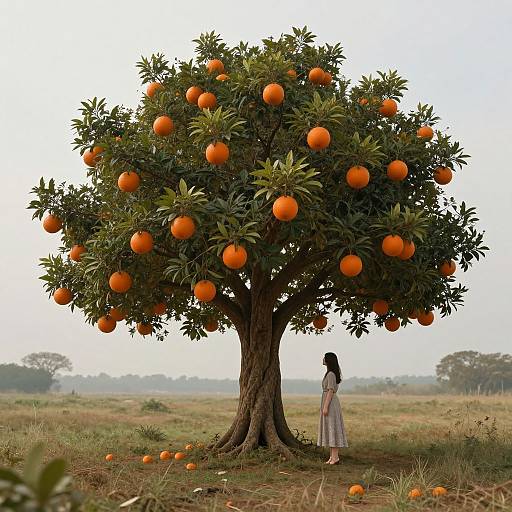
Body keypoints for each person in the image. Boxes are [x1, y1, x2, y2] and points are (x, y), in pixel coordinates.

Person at [317, 352, 348, 464]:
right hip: (328, 401)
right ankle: (332, 457)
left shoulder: (331, 374)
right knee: (330, 429)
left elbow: (330, 390)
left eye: (324, 357)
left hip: (330, 403)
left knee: (332, 428)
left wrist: (325, 406)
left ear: (328, 360)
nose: (323, 359)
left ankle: (335, 457)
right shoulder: (329, 373)